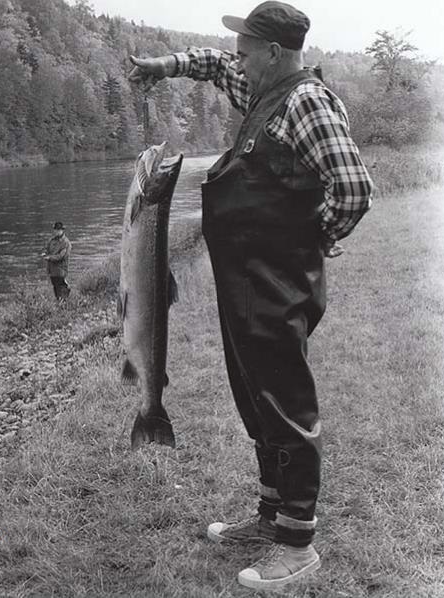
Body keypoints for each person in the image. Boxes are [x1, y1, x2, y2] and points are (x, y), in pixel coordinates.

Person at [129, 1, 373, 590]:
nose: (235, 63)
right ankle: (270, 515)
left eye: (245, 53)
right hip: (245, 281)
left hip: (276, 281)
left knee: (285, 405)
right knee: (255, 399)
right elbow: (215, 64)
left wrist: (313, 240)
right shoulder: (264, 91)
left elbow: (353, 188)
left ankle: (297, 544)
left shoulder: (306, 102)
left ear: (273, 52)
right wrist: (166, 65)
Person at [42, 221, 72, 301]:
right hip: (52, 270)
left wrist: (49, 258)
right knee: (56, 289)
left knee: (61, 289)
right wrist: (44, 253)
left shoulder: (66, 243)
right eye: (55, 230)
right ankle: (60, 302)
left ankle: (64, 302)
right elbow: (46, 249)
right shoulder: (51, 240)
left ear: (62, 230)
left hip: (61, 270)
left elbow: (61, 256)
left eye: (58, 230)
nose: (56, 231)